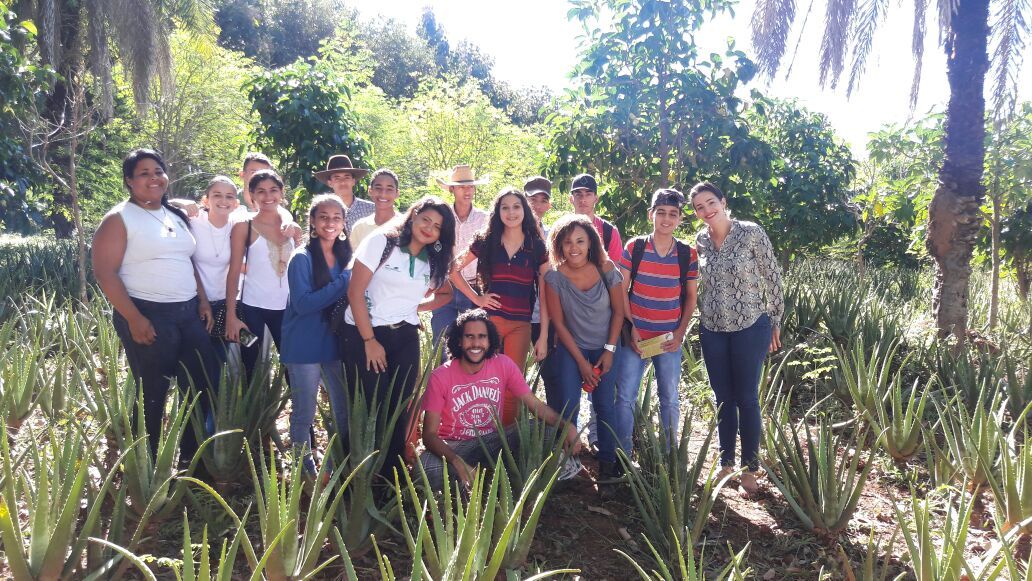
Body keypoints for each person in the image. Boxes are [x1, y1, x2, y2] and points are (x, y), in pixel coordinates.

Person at [92, 149, 218, 460]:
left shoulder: (173, 215)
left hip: (188, 314)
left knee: (199, 385)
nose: (153, 178)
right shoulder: (119, 219)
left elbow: (188, 261)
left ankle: (191, 459)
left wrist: (202, 300)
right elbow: (104, 273)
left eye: (158, 171)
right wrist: (133, 318)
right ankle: (145, 465)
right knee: (152, 391)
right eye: (144, 173)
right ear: (129, 181)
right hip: (147, 313)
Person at [342, 196, 456, 481]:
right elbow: (354, 293)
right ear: (413, 215)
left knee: (399, 406)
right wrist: (369, 341)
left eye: (437, 226)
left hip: (404, 335)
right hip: (365, 334)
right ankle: (358, 474)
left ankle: (390, 475)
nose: (429, 228)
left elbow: (445, 294)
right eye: (426, 219)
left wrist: (411, 307)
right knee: (372, 405)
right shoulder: (382, 243)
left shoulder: (432, 260)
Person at [418, 309, 580, 492]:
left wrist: (568, 426)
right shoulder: (441, 376)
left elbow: (535, 405)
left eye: (482, 337)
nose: (476, 343)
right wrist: (456, 461)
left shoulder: (503, 364)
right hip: (456, 445)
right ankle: (477, 482)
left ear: (490, 340)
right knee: (424, 470)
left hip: (493, 442)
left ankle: (514, 483)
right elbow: (429, 435)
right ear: (459, 341)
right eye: (469, 337)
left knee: (546, 430)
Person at [691, 181, 783, 496]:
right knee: (723, 398)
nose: (706, 210)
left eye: (710, 202)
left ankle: (750, 469)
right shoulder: (700, 240)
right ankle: (726, 464)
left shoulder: (751, 233)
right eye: (699, 207)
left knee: (747, 397)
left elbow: (773, 276)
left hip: (750, 325)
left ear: (723, 201)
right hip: (713, 328)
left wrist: (775, 320)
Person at [450, 187, 550, 424]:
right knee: (480, 381)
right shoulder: (486, 241)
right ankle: (476, 434)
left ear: (524, 211)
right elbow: (452, 269)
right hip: (489, 324)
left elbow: (546, 295)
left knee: (512, 385)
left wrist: (543, 335)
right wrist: (477, 299)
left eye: (516, 206)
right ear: (497, 211)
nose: (511, 212)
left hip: (520, 325)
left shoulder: (536, 246)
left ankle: (504, 441)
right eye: (505, 207)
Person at [613, 189, 698, 459]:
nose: (666, 219)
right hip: (637, 337)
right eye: (660, 212)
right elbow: (622, 289)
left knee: (670, 398)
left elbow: (692, 297)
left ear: (680, 219)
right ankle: (623, 455)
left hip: (668, 339)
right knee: (625, 397)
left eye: (673, 214)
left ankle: (670, 455)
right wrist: (632, 326)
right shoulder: (634, 247)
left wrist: (680, 333)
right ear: (651, 214)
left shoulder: (688, 254)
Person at [543, 214, 624, 480]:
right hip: (571, 348)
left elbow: (618, 313)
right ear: (559, 245)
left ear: (591, 242)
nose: (574, 247)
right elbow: (559, 323)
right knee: (569, 406)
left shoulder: (606, 268)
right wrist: (580, 362)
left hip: (606, 349)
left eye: (580, 240)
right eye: (567, 242)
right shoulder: (554, 277)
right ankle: (569, 462)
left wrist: (610, 350)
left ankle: (608, 466)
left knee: (605, 406)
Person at [281, 195, 352, 476]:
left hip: (335, 342)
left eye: (336, 217)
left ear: (344, 222)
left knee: (342, 407)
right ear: (312, 221)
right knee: (304, 411)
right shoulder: (302, 258)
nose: (330, 223)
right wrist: (343, 281)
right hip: (303, 343)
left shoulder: (347, 256)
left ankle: (338, 464)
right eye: (323, 217)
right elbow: (303, 303)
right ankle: (303, 470)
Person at [224, 170, 296, 379]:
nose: (268, 196)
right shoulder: (243, 226)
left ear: (281, 193)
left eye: (273, 190)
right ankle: (253, 411)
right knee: (251, 362)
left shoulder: (288, 223)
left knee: (290, 362)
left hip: (285, 308)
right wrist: (231, 315)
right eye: (261, 191)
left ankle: (297, 410)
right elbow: (234, 272)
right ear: (252, 195)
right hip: (251, 309)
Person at [568, 173, 623, 449]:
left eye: (588, 193)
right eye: (577, 194)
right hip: (569, 318)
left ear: (596, 198)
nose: (583, 198)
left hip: (602, 320)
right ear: (571, 199)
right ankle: (573, 441)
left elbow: (618, 276)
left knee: (601, 388)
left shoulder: (610, 232)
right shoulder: (562, 230)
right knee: (568, 387)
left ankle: (599, 442)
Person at [430, 164, 489, 355]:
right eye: (463, 186)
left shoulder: (485, 219)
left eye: (471, 186)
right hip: (445, 287)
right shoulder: (442, 218)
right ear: (452, 189)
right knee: (442, 343)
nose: (468, 191)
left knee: (472, 346)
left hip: (473, 286)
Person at [189, 176, 241, 364]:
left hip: (225, 303)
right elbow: (164, 206)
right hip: (194, 303)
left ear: (236, 203)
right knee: (196, 360)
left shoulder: (239, 225)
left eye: (229, 197)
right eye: (217, 195)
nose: (223, 201)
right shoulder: (193, 221)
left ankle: (220, 394)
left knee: (221, 359)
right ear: (206, 200)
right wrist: (182, 202)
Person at [312, 154, 373, 237]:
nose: (342, 182)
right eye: (337, 178)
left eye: (346, 177)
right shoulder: (320, 211)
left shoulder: (371, 210)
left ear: (353, 181)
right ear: (330, 183)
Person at [349, 168, 401, 250]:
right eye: (378, 188)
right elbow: (353, 260)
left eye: (389, 189)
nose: (383, 194)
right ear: (370, 191)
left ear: (397, 193)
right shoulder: (360, 227)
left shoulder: (405, 226)